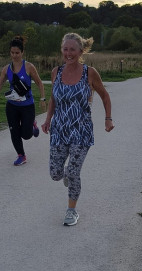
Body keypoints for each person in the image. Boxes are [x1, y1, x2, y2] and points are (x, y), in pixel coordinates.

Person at [41, 33, 114, 226]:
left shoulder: (90, 73)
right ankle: (66, 173)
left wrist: (108, 119)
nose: (68, 53)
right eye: (65, 49)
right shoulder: (56, 72)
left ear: (81, 51)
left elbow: (105, 96)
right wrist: (48, 119)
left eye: (72, 49)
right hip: (59, 130)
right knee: (55, 174)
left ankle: (71, 211)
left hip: (81, 131)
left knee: (73, 173)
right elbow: (53, 98)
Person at [0, 36, 46, 166]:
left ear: (22, 52)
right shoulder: (6, 69)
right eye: (12, 53)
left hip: (27, 106)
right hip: (12, 106)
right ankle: (21, 155)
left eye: (17, 53)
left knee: (26, 135)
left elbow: (40, 83)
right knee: (14, 131)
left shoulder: (29, 67)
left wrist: (42, 99)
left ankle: (32, 124)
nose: (14, 55)